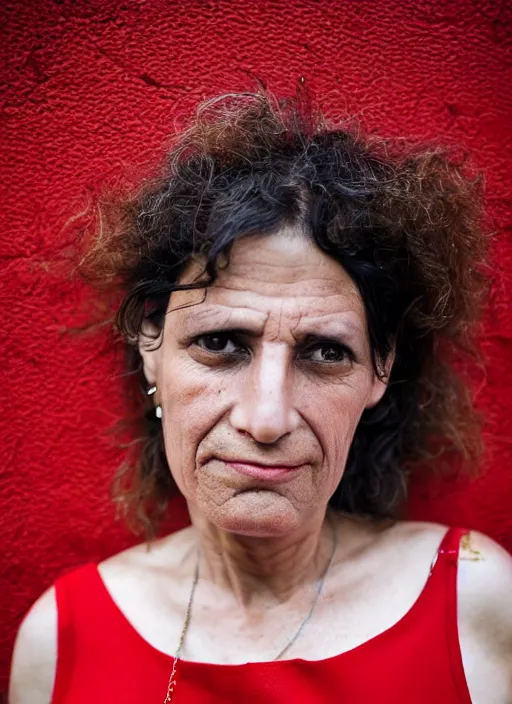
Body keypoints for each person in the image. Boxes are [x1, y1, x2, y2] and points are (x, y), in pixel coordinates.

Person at [9, 90, 512, 704]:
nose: (266, 418)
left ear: (381, 370)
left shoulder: (474, 601)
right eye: (220, 342)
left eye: (326, 352)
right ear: (151, 343)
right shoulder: (62, 641)